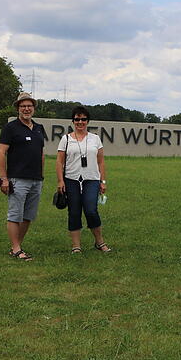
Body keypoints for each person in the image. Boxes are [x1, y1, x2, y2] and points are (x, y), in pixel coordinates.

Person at [0, 92, 45, 261]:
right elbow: (1, 152)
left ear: (34, 108)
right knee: (15, 215)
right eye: (23, 106)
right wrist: (4, 179)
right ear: (18, 108)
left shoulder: (39, 128)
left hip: (36, 179)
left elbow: (41, 153)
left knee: (28, 216)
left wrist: (41, 174)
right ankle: (17, 249)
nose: (26, 109)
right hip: (17, 179)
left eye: (29, 106)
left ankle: (16, 246)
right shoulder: (10, 128)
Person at [56, 106, 110, 253]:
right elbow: (59, 162)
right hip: (71, 180)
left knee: (91, 210)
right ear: (73, 121)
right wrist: (60, 181)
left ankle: (99, 242)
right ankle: (76, 246)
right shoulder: (66, 139)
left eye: (83, 119)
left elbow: (101, 161)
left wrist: (103, 181)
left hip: (91, 179)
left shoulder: (95, 139)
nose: (80, 122)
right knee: (74, 212)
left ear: (87, 121)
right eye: (77, 119)